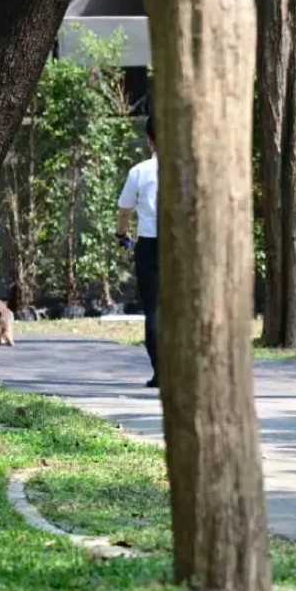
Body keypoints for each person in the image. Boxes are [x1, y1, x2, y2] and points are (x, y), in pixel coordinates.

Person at [116, 115, 160, 388]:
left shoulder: (140, 171)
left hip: (150, 246)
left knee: (154, 308)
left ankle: (161, 372)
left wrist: (122, 234)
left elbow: (124, 210)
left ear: (149, 140)